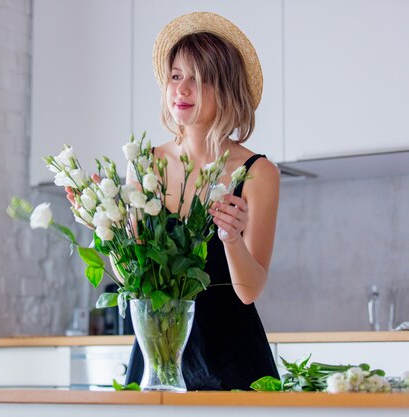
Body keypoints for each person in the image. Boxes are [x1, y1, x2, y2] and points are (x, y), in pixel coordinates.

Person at [122, 12, 280, 391]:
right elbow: (134, 276)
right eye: (176, 76)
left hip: (234, 362)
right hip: (159, 358)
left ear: (225, 88)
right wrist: (107, 226)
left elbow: (249, 291)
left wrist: (231, 239)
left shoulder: (258, 173)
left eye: (198, 78)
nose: (182, 89)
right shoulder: (145, 163)